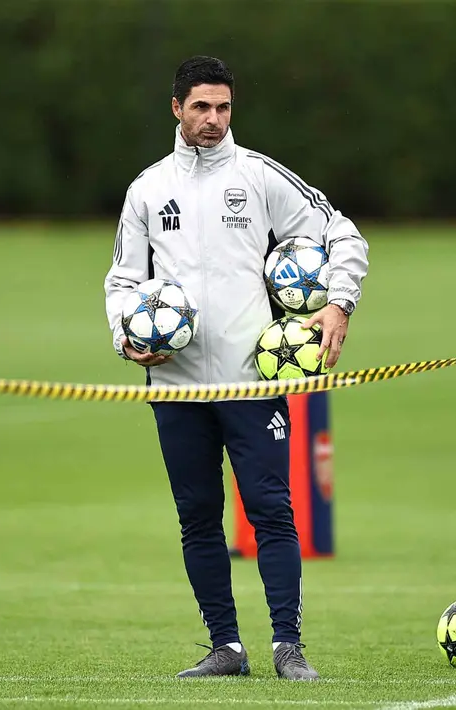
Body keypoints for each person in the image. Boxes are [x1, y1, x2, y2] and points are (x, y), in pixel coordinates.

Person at [103, 56, 369, 680]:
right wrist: (127, 338)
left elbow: (344, 234)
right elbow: (122, 279)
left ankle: (287, 646)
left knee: (271, 511)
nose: (214, 119)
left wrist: (339, 303)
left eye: (223, 107)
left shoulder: (260, 176)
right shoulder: (147, 189)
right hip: (174, 387)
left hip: (251, 382)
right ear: (176, 108)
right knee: (198, 518)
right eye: (201, 107)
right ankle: (226, 647)